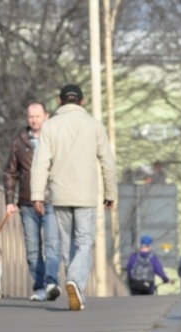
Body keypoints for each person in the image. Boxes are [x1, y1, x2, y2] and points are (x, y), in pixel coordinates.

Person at [31, 84, 117, 311]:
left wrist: (37, 195)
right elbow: (107, 162)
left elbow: (41, 163)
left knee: (67, 245)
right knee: (84, 243)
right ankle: (75, 282)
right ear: (83, 101)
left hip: (59, 194)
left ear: (59, 101)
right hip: (86, 194)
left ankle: (76, 293)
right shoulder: (95, 126)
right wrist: (110, 193)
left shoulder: (50, 127)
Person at [3, 102, 61, 302]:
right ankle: (40, 286)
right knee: (33, 249)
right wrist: (9, 201)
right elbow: (10, 172)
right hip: (27, 203)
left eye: (37, 116)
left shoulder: (55, 139)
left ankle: (52, 282)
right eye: (31, 117)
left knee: (53, 244)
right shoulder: (19, 142)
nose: (34, 120)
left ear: (46, 116)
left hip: (51, 200)